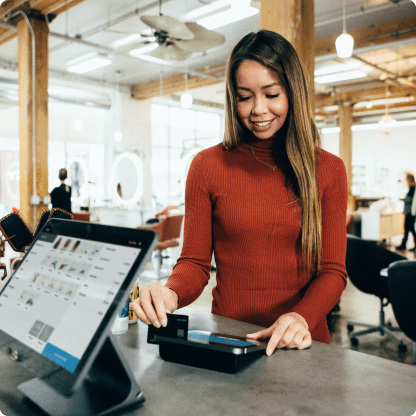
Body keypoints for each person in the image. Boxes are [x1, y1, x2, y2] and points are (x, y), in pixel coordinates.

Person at [131, 30, 348, 356]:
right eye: (245, 97)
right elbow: (193, 264)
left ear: (293, 92)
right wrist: (169, 293)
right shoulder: (206, 166)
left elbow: (332, 272)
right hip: (230, 340)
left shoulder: (329, 170)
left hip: (302, 344)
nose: (258, 109)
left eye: (271, 94)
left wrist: (300, 317)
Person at [396, 172, 416, 251]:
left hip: (410, 213)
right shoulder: (411, 188)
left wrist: (403, 199)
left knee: (409, 229)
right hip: (409, 212)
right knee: (410, 229)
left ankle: (403, 244)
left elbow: (411, 200)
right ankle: (404, 244)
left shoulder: (412, 188)